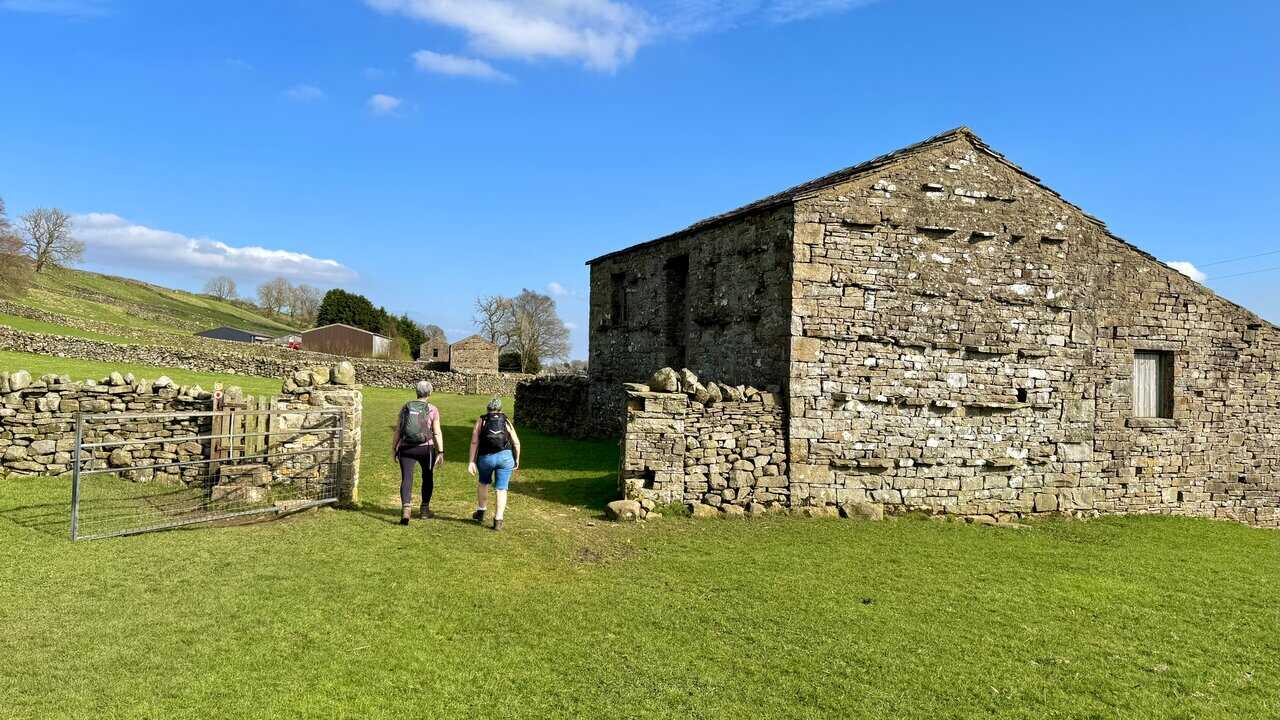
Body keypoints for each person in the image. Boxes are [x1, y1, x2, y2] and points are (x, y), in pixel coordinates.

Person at [392, 380, 444, 525]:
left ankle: (406, 511)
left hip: (406, 447)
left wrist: (394, 448)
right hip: (426, 448)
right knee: (427, 477)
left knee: (406, 478)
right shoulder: (432, 409)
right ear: (430, 393)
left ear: (416, 392)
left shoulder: (405, 407)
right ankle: (424, 510)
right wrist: (440, 451)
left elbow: (398, 429)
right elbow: (437, 432)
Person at [468, 397, 521, 531]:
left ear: (488, 408)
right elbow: (516, 441)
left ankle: (480, 512)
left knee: (484, 483)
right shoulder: (506, 420)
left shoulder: (482, 420)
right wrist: (517, 458)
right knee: (501, 489)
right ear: (500, 409)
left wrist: (471, 461)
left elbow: (474, 442)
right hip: (505, 458)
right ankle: (498, 520)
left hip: (486, 458)